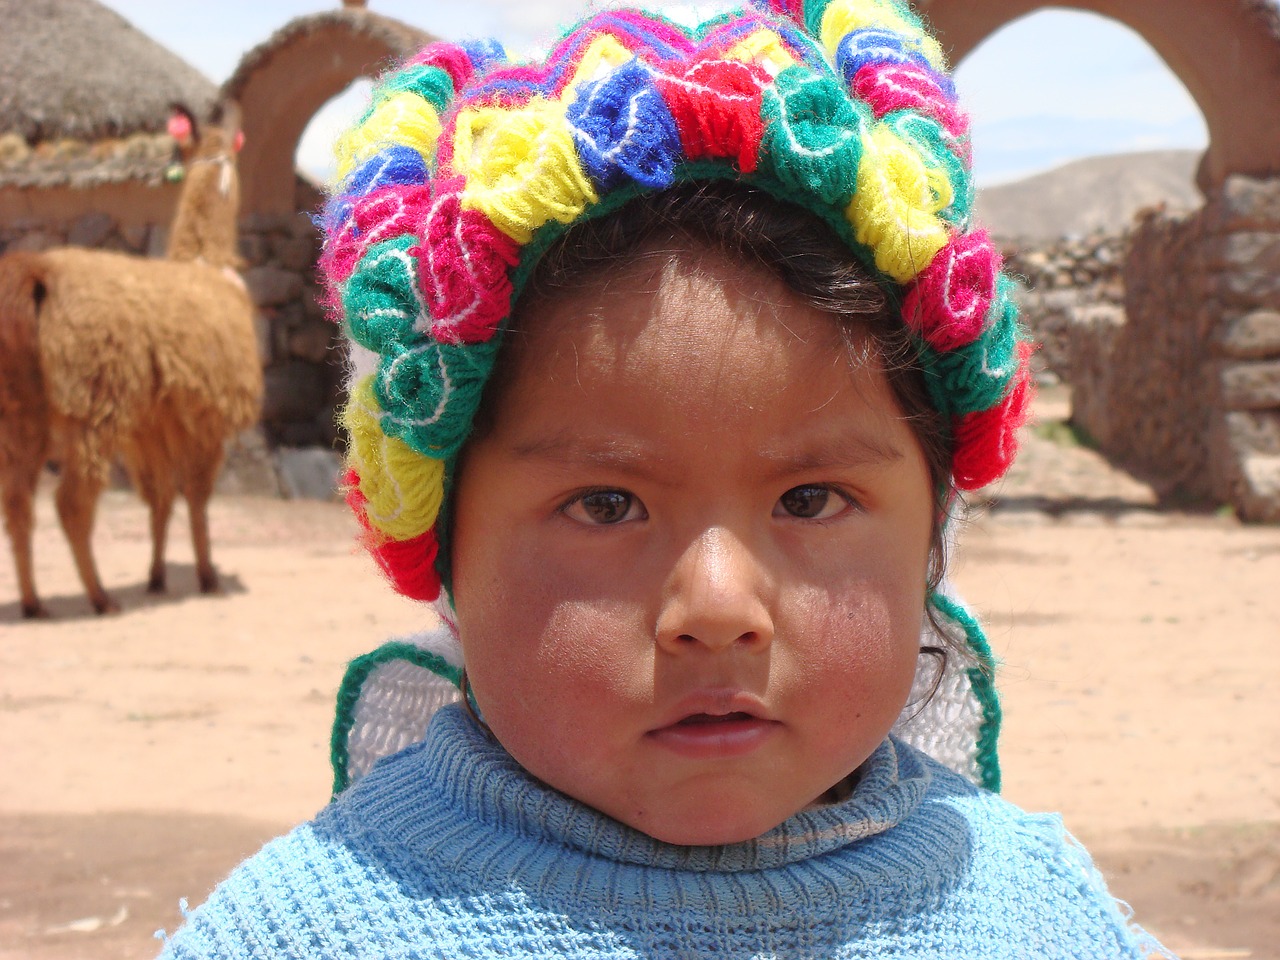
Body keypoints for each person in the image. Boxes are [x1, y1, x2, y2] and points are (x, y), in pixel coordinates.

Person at [157, 0, 1173, 956]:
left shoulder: (1030, 914)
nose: (718, 608)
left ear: (929, 539)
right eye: (606, 505)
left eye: (808, 499)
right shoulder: (316, 932)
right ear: (444, 549)